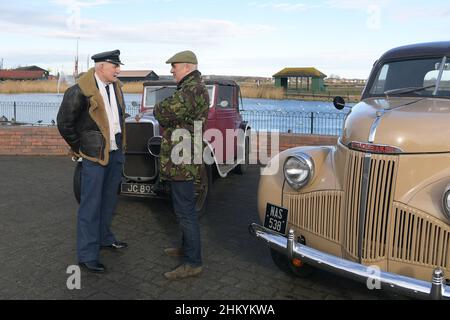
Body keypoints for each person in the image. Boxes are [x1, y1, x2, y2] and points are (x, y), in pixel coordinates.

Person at [57, 50, 128, 274]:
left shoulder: (116, 87)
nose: (118, 70)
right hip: (94, 154)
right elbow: (64, 123)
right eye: (114, 66)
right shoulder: (79, 91)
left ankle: (105, 238)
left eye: (118, 66)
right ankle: (87, 255)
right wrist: (80, 148)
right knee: (90, 205)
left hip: (115, 151)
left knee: (109, 200)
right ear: (100, 67)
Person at [153, 50, 210, 280]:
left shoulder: (191, 89)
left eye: (174, 66)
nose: (171, 70)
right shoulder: (190, 88)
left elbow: (162, 111)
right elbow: (168, 112)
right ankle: (187, 250)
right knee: (183, 208)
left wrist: (160, 109)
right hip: (183, 156)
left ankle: (193, 262)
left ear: (187, 67)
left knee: (186, 211)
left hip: (183, 159)